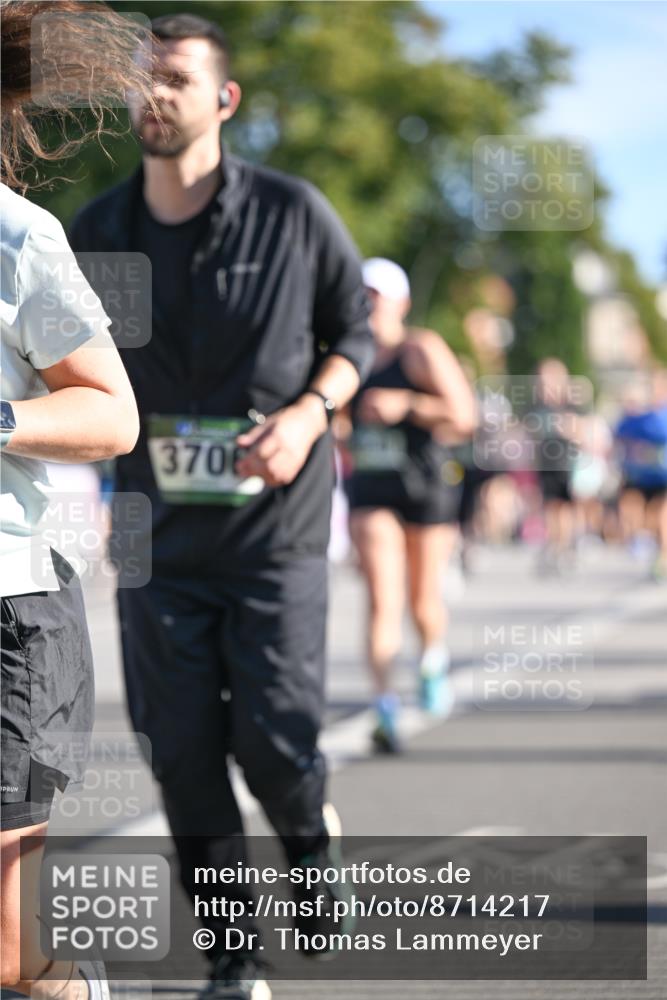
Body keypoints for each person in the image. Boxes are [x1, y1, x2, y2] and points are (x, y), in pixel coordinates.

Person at [68, 13, 374, 999]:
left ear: (224, 99)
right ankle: (233, 960)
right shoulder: (97, 235)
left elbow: (354, 334)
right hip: (153, 532)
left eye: (176, 79)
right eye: (142, 80)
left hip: (274, 527)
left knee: (275, 741)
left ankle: (308, 833)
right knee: (184, 753)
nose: (154, 96)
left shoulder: (292, 214)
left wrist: (310, 415)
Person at [1, 2, 149, 999]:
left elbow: (111, 413)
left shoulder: (19, 235)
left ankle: (72, 987)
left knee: (7, 952)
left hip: (8, 608)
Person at [342, 259, 477, 753]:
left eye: (377, 295)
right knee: (382, 599)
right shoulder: (347, 355)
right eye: (362, 294)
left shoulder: (420, 349)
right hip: (372, 489)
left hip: (426, 486)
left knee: (422, 600)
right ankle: (383, 705)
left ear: (401, 303)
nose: (368, 303)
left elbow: (465, 415)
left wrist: (407, 405)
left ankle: (432, 658)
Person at [615, 370, 667, 580]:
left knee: (662, 516)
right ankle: (642, 540)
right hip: (640, 476)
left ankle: (662, 558)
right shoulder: (637, 416)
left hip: (663, 476)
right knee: (631, 507)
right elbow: (620, 436)